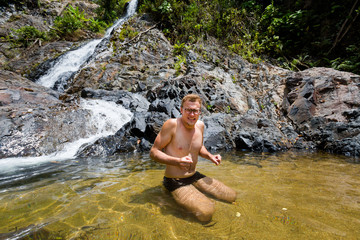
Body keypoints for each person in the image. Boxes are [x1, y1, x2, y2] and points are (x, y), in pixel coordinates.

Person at [150, 94, 237, 222]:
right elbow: (153, 152)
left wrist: (210, 156)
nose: (192, 114)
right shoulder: (172, 125)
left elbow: (198, 147)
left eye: (195, 110)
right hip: (175, 180)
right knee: (206, 213)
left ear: (199, 112)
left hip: (194, 175)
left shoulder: (200, 126)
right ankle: (170, 200)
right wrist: (177, 161)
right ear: (181, 110)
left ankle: (196, 197)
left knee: (231, 196)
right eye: (188, 110)